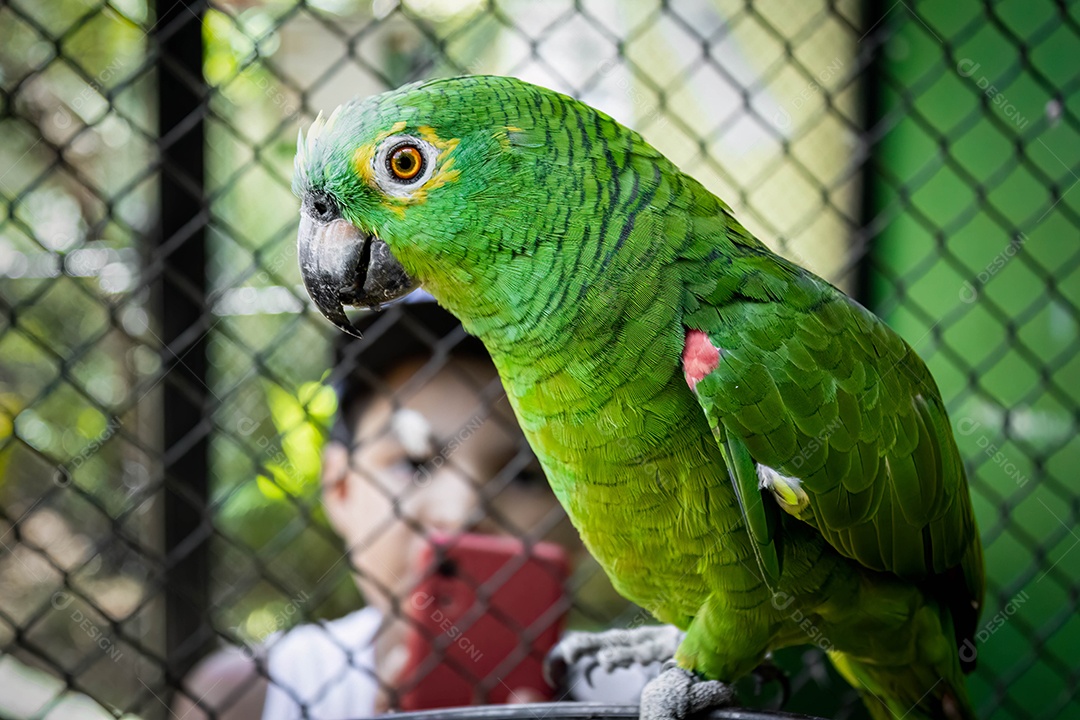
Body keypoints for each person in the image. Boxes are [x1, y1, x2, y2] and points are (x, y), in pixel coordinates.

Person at [175, 301, 583, 719]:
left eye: (525, 475)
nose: (461, 512)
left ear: (581, 514)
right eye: (414, 464)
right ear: (340, 487)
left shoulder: (637, 692)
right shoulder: (251, 694)